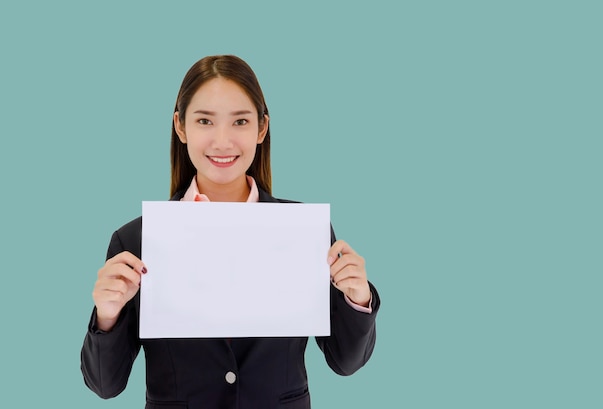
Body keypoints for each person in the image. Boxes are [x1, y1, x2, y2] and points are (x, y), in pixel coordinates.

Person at [80, 54, 380, 409]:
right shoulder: (135, 241)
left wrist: (357, 297)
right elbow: (105, 385)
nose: (222, 141)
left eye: (240, 121)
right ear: (180, 126)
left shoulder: (304, 230)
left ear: (261, 128)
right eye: (205, 120)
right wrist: (108, 314)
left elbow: (346, 362)